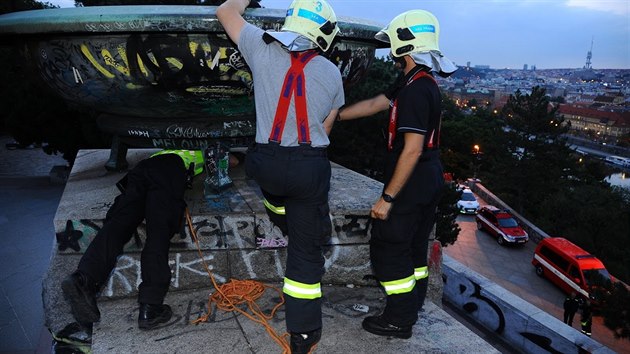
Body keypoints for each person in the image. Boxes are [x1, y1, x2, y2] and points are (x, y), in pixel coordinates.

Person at [216, 0, 344, 352]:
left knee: (278, 199)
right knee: (305, 252)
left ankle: (282, 215)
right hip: (309, 165)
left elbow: (225, 11)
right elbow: (328, 124)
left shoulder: (260, 46)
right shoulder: (332, 72)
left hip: (266, 164)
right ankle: (302, 335)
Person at [337, 9, 456, 339]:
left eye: (393, 43)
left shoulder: (416, 90)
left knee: (388, 247)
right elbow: (377, 103)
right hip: (427, 177)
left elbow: (412, 149)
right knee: (415, 249)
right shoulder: (414, 81)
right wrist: (335, 117)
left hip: (413, 178)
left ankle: (399, 318)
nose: (390, 50)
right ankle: (414, 303)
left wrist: (387, 198)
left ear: (405, 45)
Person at [61, 149, 205, 330]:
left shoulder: (162, 151)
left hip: (140, 171)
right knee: (159, 231)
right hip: (169, 170)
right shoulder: (197, 150)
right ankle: (150, 306)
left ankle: (83, 278)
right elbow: (230, 160)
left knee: (119, 223)